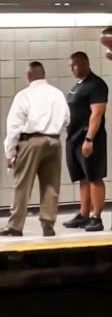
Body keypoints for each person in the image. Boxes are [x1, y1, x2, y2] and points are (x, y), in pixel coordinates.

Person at [0, 61, 70, 237]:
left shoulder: (24, 95)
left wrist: (10, 152)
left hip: (31, 141)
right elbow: (67, 119)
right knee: (51, 184)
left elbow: (14, 126)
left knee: (22, 184)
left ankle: (15, 226)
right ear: (43, 74)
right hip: (54, 141)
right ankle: (48, 225)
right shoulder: (57, 94)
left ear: (28, 76)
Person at [62, 51, 109, 232]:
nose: (72, 69)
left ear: (85, 63)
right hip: (73, 139)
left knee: (94, 176)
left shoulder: (96, 85)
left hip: (89, 139)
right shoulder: (77, 87)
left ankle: (96, 217)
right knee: (82, 177)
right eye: (70, 66)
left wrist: (89, 138)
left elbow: (97, 113)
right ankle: (84, 214)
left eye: (74, 65)